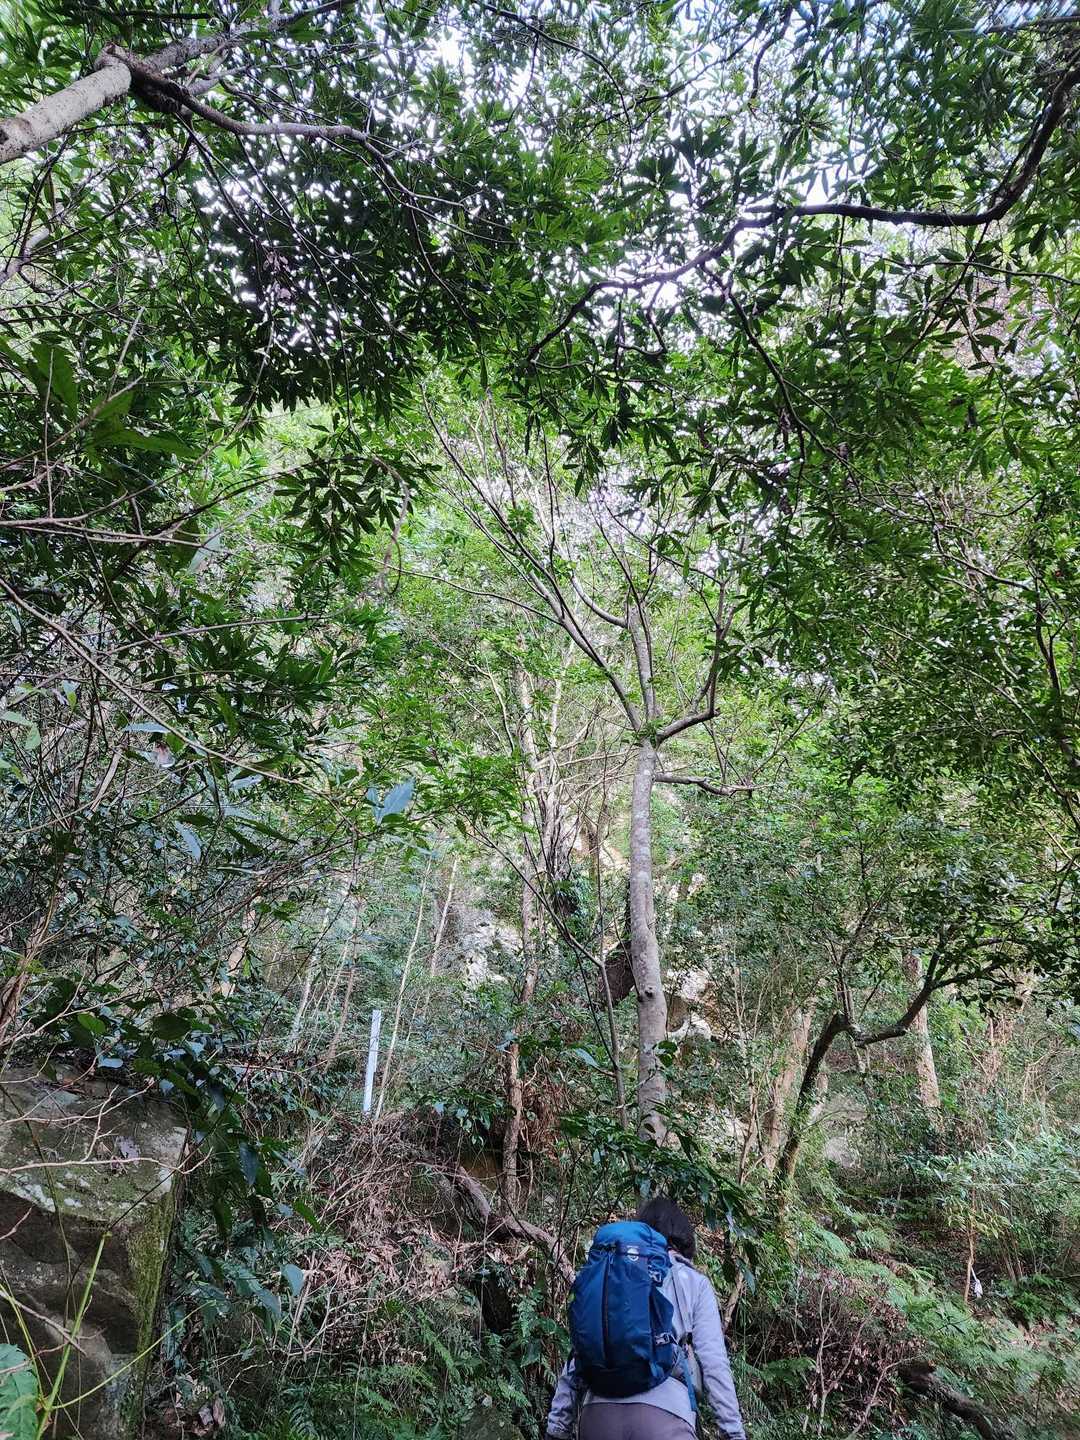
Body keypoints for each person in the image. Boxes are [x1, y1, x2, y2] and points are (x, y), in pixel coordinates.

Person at [544, 1197, 746, 1440]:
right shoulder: (694, 1282)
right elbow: (714, 1362)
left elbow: (580, 1354)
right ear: (684, 1238)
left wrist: (557, 1426)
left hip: (596, 1416)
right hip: (665, 1419)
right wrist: (733, 1432)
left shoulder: (611, 1274)